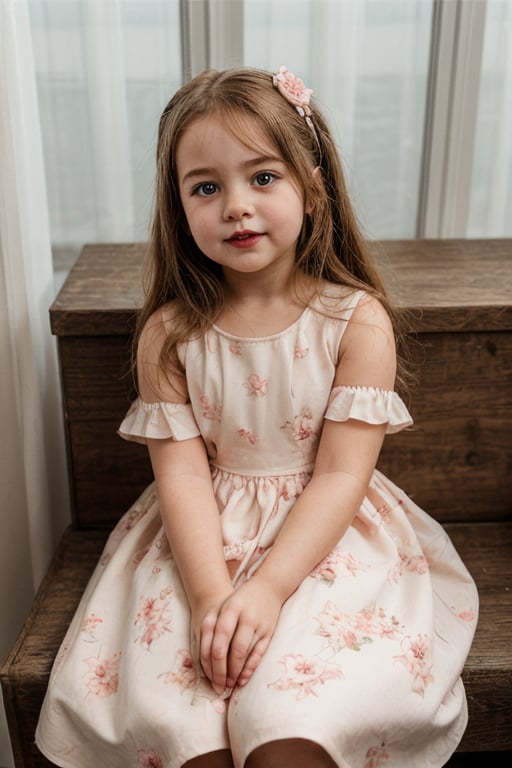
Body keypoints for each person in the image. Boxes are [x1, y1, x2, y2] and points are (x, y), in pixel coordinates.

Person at [36, 66, 478, 768]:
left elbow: (340, 476)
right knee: (182, 716)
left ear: (313, 184)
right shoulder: (170, 335)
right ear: (179, 207)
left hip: (327, 541)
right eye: (206, 187)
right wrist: (214, 593)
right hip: (201, 540)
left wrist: (268, 588)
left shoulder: (354, 321)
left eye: (263, 177)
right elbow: (181, 479)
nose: (236, 206)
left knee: (289, 716)